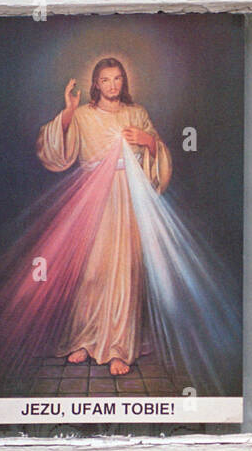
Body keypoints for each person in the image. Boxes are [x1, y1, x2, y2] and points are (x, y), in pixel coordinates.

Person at [35, 57, 172, 375]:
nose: (113, 85)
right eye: (106, 80)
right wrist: (68, 110)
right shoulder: (82, 115)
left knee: (125, 271)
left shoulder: (136, 114)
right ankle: (84, 339)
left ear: (124, 81)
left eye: (118, 79)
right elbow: (56, 151)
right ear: (96, 84)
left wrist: (148, 141)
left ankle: (119, 348)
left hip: (129, 197)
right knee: (91, 271)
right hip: (93, 197)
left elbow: (159, 153)